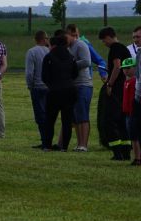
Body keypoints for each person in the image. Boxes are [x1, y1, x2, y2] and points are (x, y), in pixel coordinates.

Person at [97, 27, 132, 160]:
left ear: (109, 37)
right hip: (124, 87)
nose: (104, 43)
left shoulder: (115, 48)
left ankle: (117, 153)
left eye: (104, 40)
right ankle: (126, 152)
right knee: (123, 120)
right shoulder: (124, 48)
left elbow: (117, 66)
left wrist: (110, 84)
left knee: (109, 121)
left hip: (116, 88)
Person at [41, 35, 78, 152]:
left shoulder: (49, 57)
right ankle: (64, 146)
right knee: (67, 120)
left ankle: (47, 145)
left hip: (54, 91)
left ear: (53, 45)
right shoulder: (71, 57)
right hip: (69, 90)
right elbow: (75, 73)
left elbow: (44, 76)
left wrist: (51, 85)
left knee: (50, 119)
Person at [65, 24, 93, 152]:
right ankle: (78, 143)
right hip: (73, 85)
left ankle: (84, 144)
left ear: (71, 35)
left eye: (66, 37)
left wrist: (71, 64)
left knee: (82, 115)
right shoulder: (68, 48)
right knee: (76, 117)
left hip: (83, 84)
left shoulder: (81, 45)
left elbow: (87, 61)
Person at [25, 30, 50, 148]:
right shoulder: (49, 51)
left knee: (40, 115)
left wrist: (30, 85)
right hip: (49, 87)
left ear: (36, 39)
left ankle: (44, 141)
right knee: (49, 114)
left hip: (37, 87)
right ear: (44, 39)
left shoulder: (31, 52)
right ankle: (48, 139)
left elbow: (29, 73)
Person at [120, 58, 140, 165]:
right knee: (132, 136)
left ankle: (138, 158)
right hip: (127, 112)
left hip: (134, 112)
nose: (126, 70)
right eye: (124, 68)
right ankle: (136, 157)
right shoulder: (126, 81)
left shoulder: (135, 81)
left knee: (135, 135)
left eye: (128, 68)